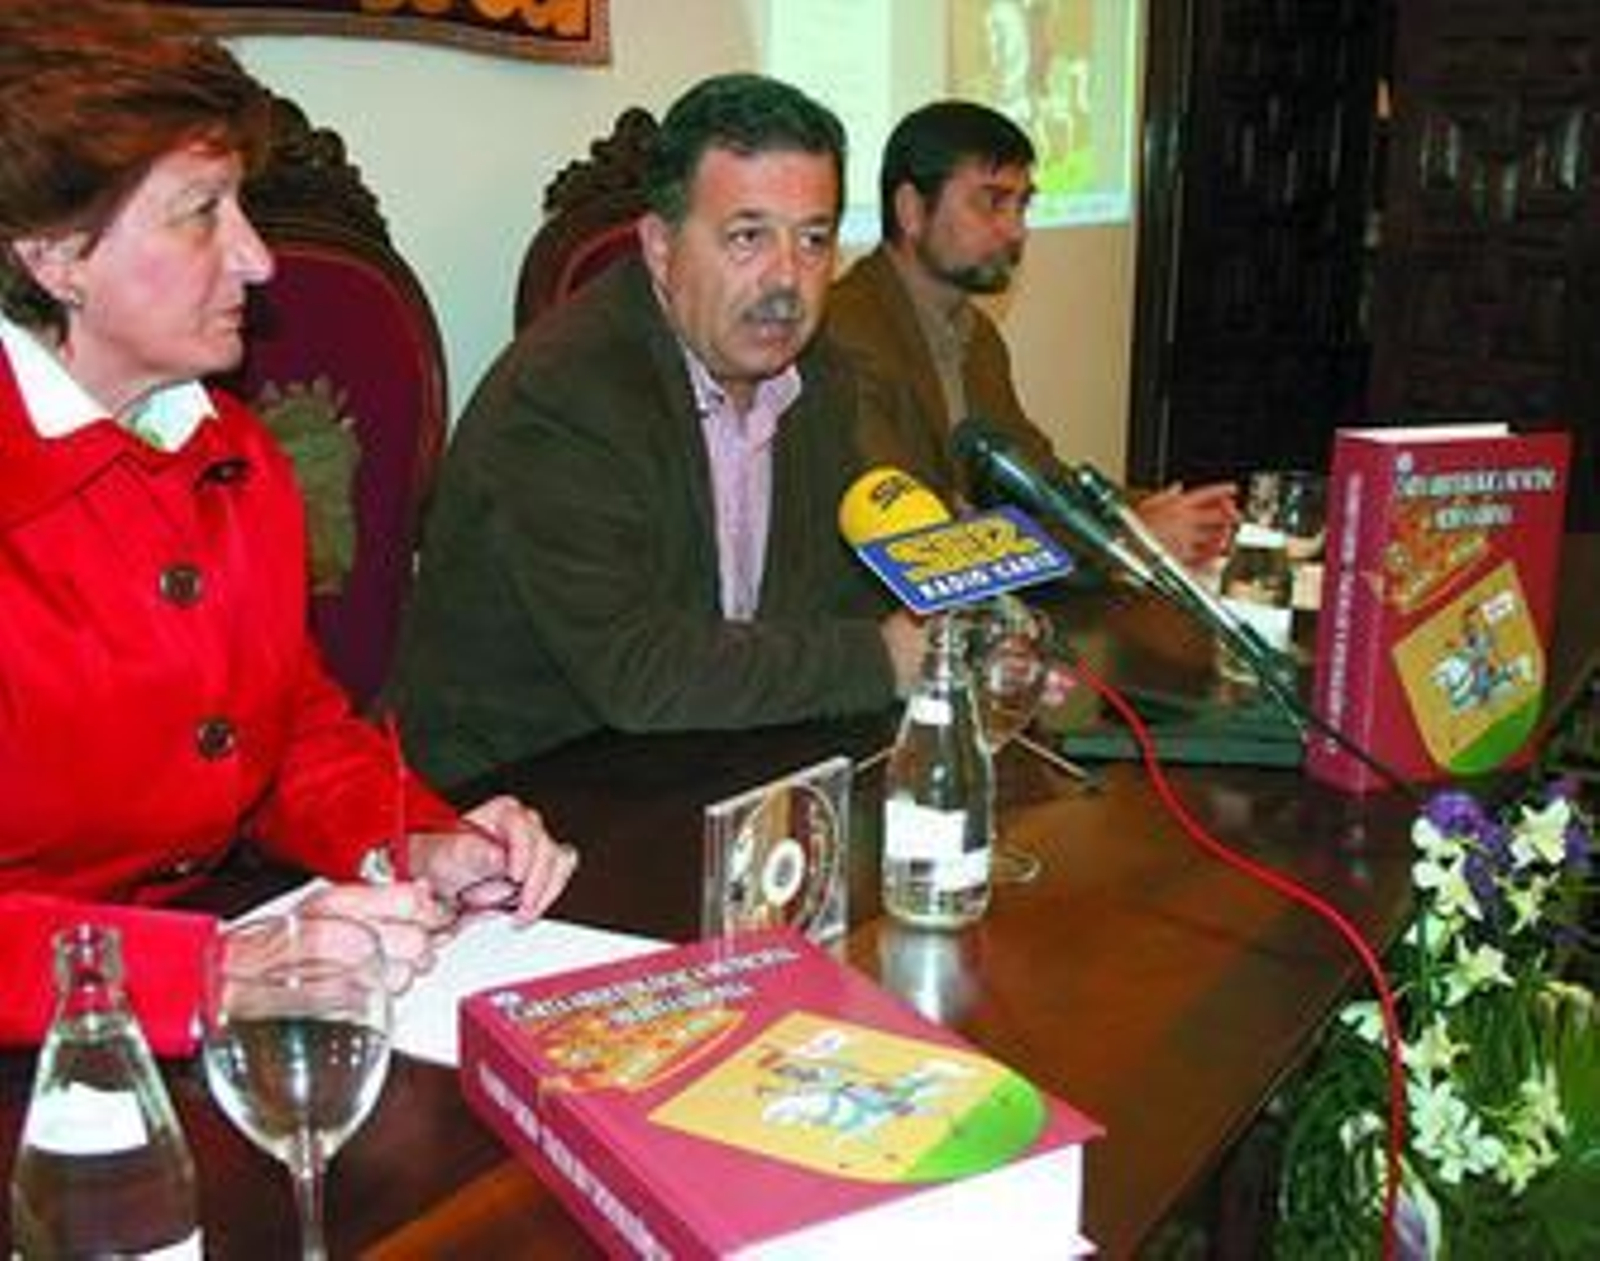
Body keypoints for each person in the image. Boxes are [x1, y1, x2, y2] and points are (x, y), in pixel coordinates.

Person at [0, 0, 575, 1053]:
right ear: (55, 253)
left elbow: (293, 732)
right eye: (201, 212)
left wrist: (422, 839)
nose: (261, 259)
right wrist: (217, 972)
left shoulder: (236, 451)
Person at [391, 74, 923, 784]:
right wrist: (882, 659)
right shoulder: (565, 395)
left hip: (710, 758)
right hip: (521, 796)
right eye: (747, 237)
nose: (788, 280)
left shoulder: (819, 375)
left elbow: (837, 592)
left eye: (814, 240)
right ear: (661, 248)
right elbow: (638, 670)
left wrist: (953, 628)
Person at [828, 99, 1238, 569]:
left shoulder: (976, 334)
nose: (1015, 230)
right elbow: (921, 550)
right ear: (911, 209)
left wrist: (1152, 513)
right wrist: (1126, 541)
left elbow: (1041, 483)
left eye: (1022, 205)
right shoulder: (843, 334)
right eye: (992, 202)